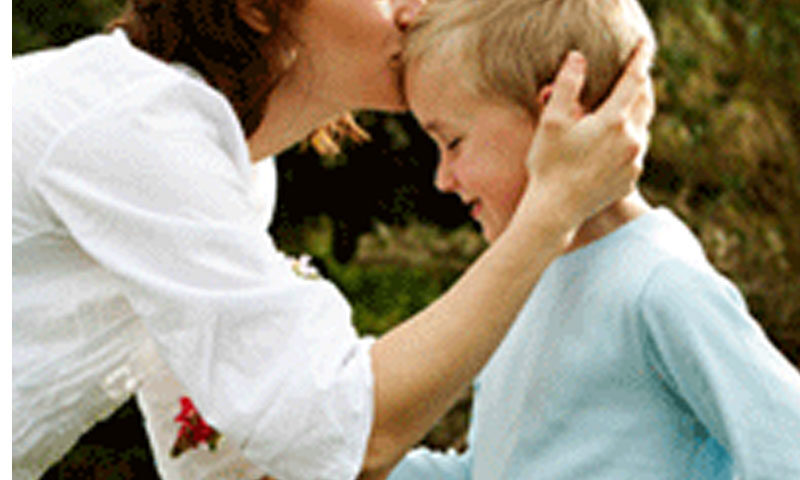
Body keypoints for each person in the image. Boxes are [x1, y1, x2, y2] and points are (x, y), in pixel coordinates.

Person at [11, 0, 656, 478]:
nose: (417, 9)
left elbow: (228, 464)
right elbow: (340, 430)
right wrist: (551, 212)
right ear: (257, 7)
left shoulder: (226, 167)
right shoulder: (138, 128)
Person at [384, 0, 800, 478]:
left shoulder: (659, 283)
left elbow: (786, 447)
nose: (442, 179)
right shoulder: (518, 289)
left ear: (556, 113)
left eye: (453, 142)